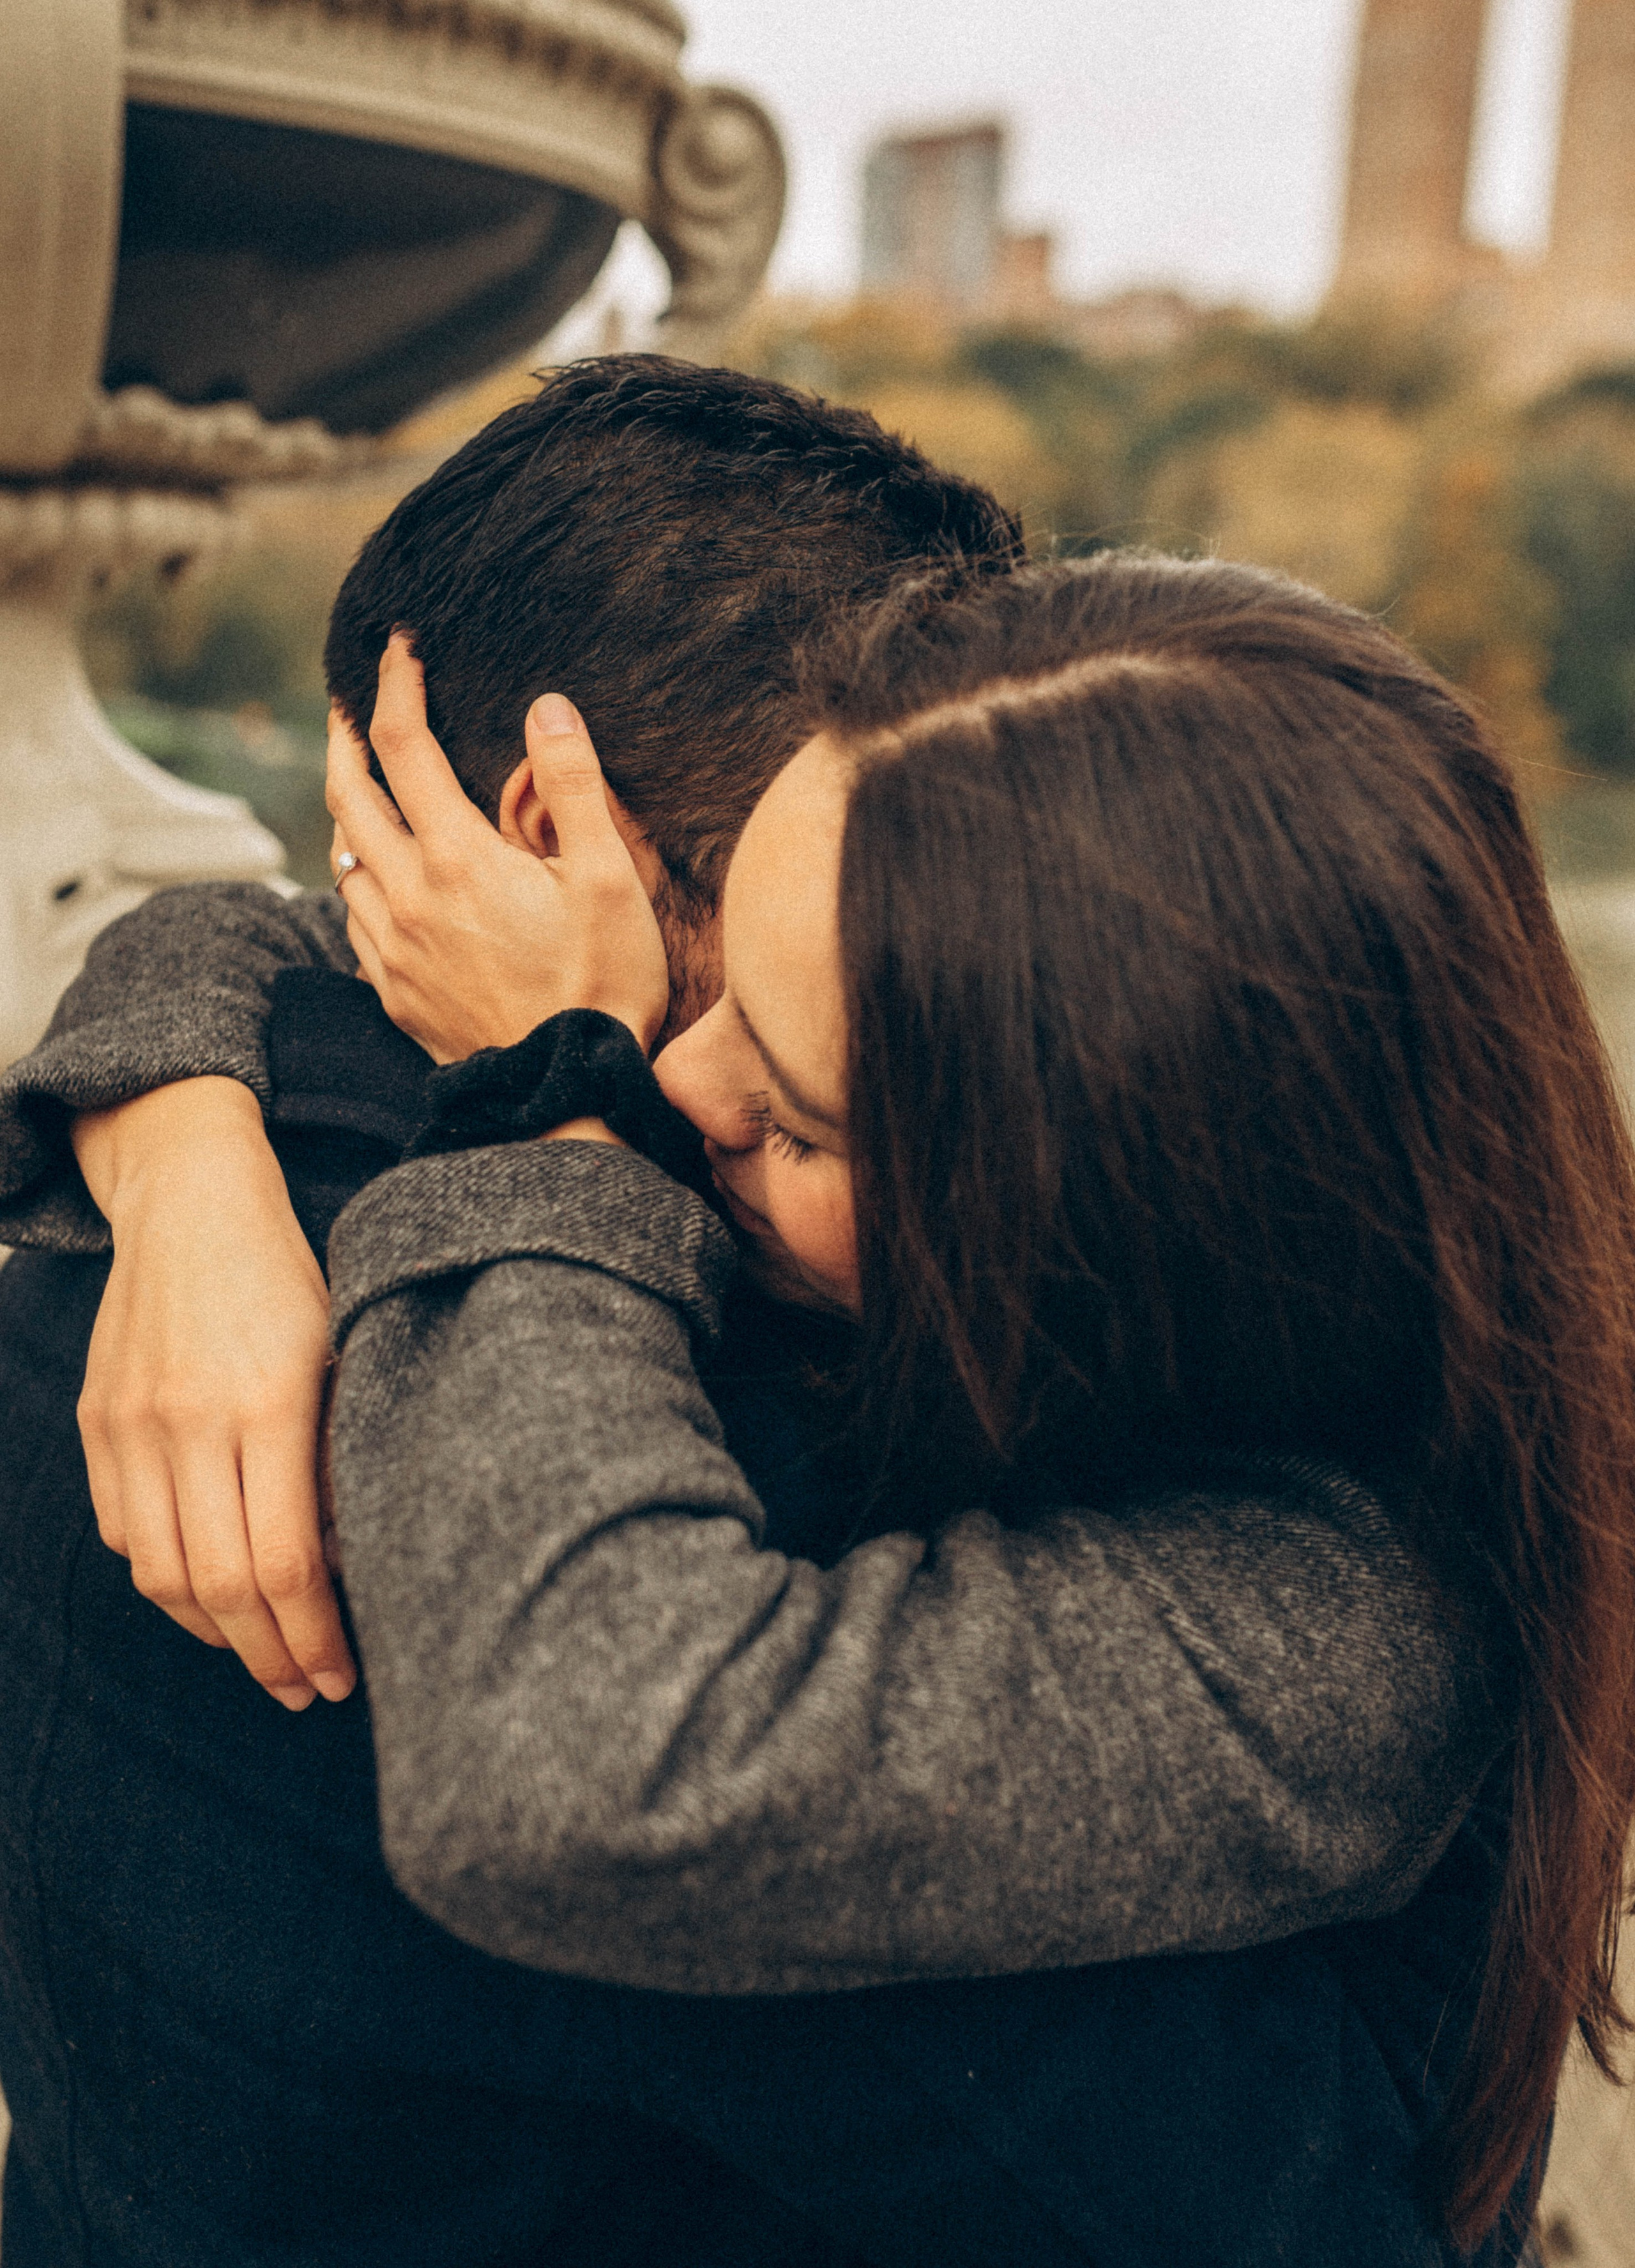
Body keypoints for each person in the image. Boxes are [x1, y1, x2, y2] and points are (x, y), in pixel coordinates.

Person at [0, 365, 1522, 2265]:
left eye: (802, 1095)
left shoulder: (143, 1274)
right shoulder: (719, 1486)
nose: (703, 1092)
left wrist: (200, 1136)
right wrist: (273, 1116)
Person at [299, 551, 1635, 2258]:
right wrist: (169, 1096)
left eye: (792, 1118)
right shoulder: (1035, 1177)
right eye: (690, 1004)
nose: (667, 1074)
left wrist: (551, 1108)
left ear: (1117, 1235)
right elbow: (291, 938)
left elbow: (564, 1761)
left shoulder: (1350, 1633)